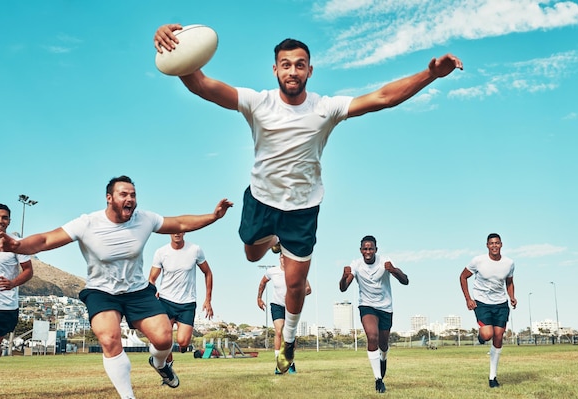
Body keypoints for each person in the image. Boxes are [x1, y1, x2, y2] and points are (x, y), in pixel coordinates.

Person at [154, 24, 462, 373]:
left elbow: (382, 98)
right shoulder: (257, 102)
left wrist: (430, 74)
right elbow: (201, 85)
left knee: (295, 283)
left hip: (302, 210)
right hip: (261, 201)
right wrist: (172, 48)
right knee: (251, 252)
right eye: (286, 64)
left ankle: (289, 340)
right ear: (275, 69)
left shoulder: (325, 107)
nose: (293, 71)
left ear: (310, 71)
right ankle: (272, 240)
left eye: (300, 65)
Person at [0, 176, 232, 399]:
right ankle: (127, 395)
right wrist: (17, 245)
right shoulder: (87, 223)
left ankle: (160, 364)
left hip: (138, 291)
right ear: (109, 198)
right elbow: (46, 239)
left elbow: (179, 222)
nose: (130, 199)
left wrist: (213, 216)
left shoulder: (144, 219)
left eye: (133, 194)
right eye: (123, 194)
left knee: (163, 341)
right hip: (102, 292)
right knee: (109, 338)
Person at [339, 235, 408, 393]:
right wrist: (344, 276)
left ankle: (383, 358)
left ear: (376, 250)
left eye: (371, 248)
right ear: (361, 250)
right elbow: (343, 288)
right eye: (365, 248)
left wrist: (394, 270)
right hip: (367, 305)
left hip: (385, 308)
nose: (368, 251)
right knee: (372, 336)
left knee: (383, 344)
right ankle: (378, 380)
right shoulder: (356, 265)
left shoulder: (385, 261)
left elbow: (405, 280)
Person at [0, 204, 33, 388]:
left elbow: (28, 271)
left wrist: (13, 283)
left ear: (9, 221)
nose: (0, 220)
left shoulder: (16, 243)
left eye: (4, 217)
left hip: (4, 307)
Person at [459, 233, 516, 389]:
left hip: (501, 304)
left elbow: (509, 282)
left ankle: (493, 377)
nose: (494, 246)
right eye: (491, 243)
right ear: (487, 245)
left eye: (497, 243)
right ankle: (481, 335)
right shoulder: (478, 261)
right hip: (482, 302)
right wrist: (468, 299)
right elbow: (463, 277)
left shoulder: (509, 263)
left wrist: (512, 297)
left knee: (498, 337)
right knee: (487, 334)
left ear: (501, 244)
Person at [149, 232, 214, 365]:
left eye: (180, 230)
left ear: (184, 232)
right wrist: (152, 292)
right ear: (169, 232)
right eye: (173, 230)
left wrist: (208, 299)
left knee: (183, 341)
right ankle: (168, 367)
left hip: (187, 303)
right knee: (163, 339)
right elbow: (152, 279)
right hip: (166, 300)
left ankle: (182, 347)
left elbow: (207, 272)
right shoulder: (161, 252)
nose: (177, 233)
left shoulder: (195, 250)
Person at [257, 252, 311, 374]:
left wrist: (296, 294)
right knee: (279, 331)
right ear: (279, 258)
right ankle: (279, 364)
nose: (283, 259)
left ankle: (290, 363)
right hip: (277, 305)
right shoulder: (272, 271)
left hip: (292, 306)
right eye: (281, 257)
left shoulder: (296, 271)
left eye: (285, 257)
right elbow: (262, 283)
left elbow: (308, 289)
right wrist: (259, 298)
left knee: (289, 335)